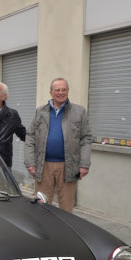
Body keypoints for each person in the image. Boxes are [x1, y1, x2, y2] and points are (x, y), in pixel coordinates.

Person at [24, 78, 92, 212]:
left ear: (68, 91)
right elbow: (30, 136)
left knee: (66, 208)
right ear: (51, 92)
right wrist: (30, 162)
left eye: (64, 89)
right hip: (43, 166)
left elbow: (86, 138)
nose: (61, 92)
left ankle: (64, 232)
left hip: (68, 166)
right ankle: (44, 232)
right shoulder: (40, 112)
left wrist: (84, 164)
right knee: (42, 206)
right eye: (57, 90)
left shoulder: (79, 111)